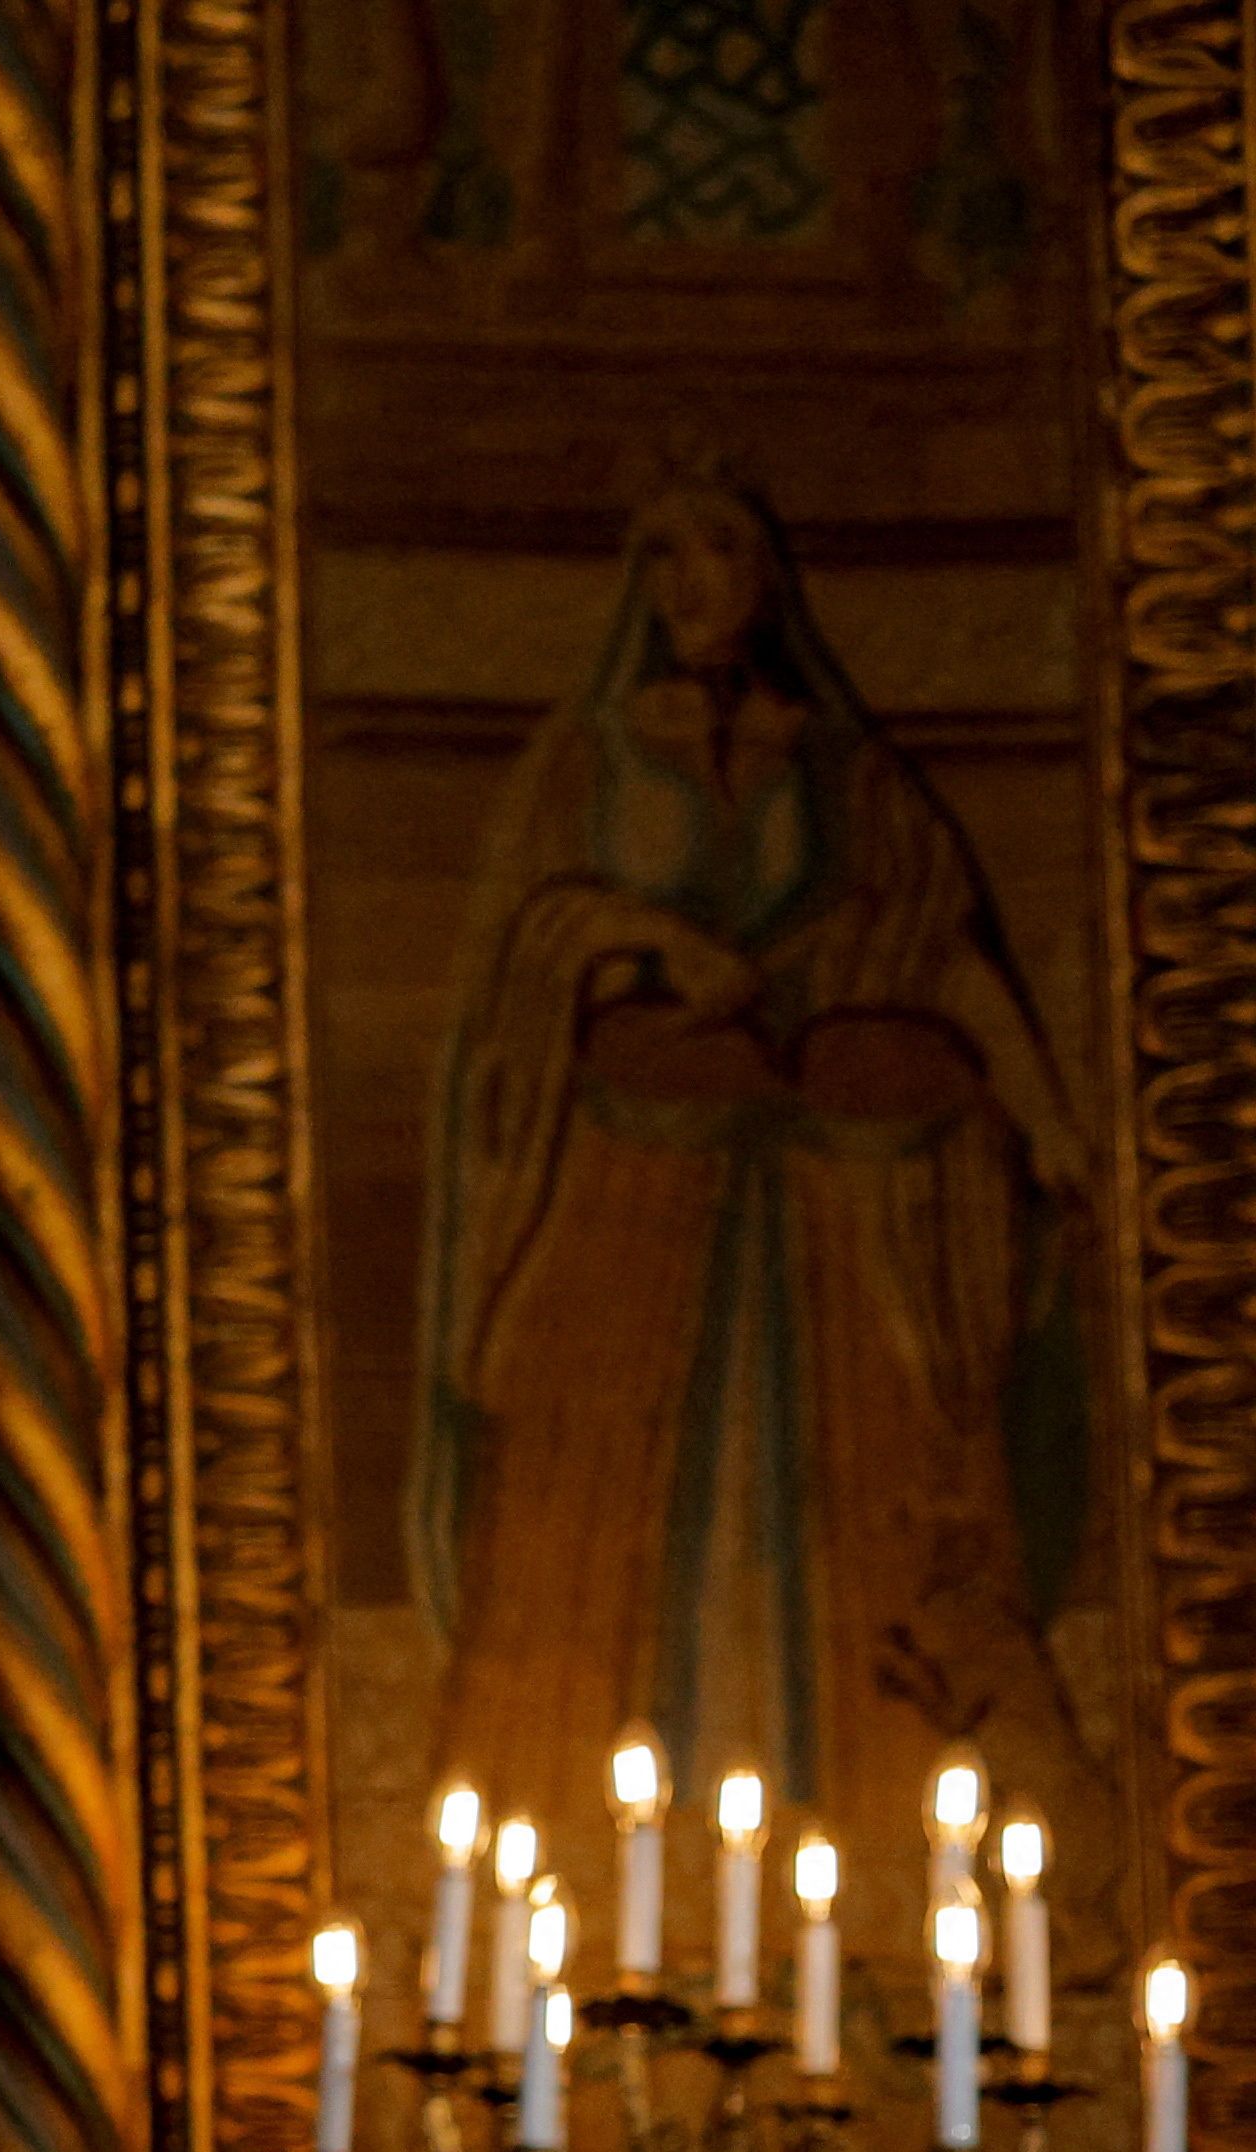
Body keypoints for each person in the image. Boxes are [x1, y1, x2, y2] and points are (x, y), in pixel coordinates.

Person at [412, 467, 1099, 1864]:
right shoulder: (586, 766)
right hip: (630, 1195)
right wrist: (641, 941)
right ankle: (581, 1857)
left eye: (716, 553)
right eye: (661, 559)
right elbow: (517, 965)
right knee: (614, 1506)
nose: (690, 586)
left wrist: (1042, 1108)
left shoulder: (849, 780)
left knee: (844, 1503)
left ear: (766, 578)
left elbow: (939, 949)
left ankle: (867, 1850)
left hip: (824, 1211)